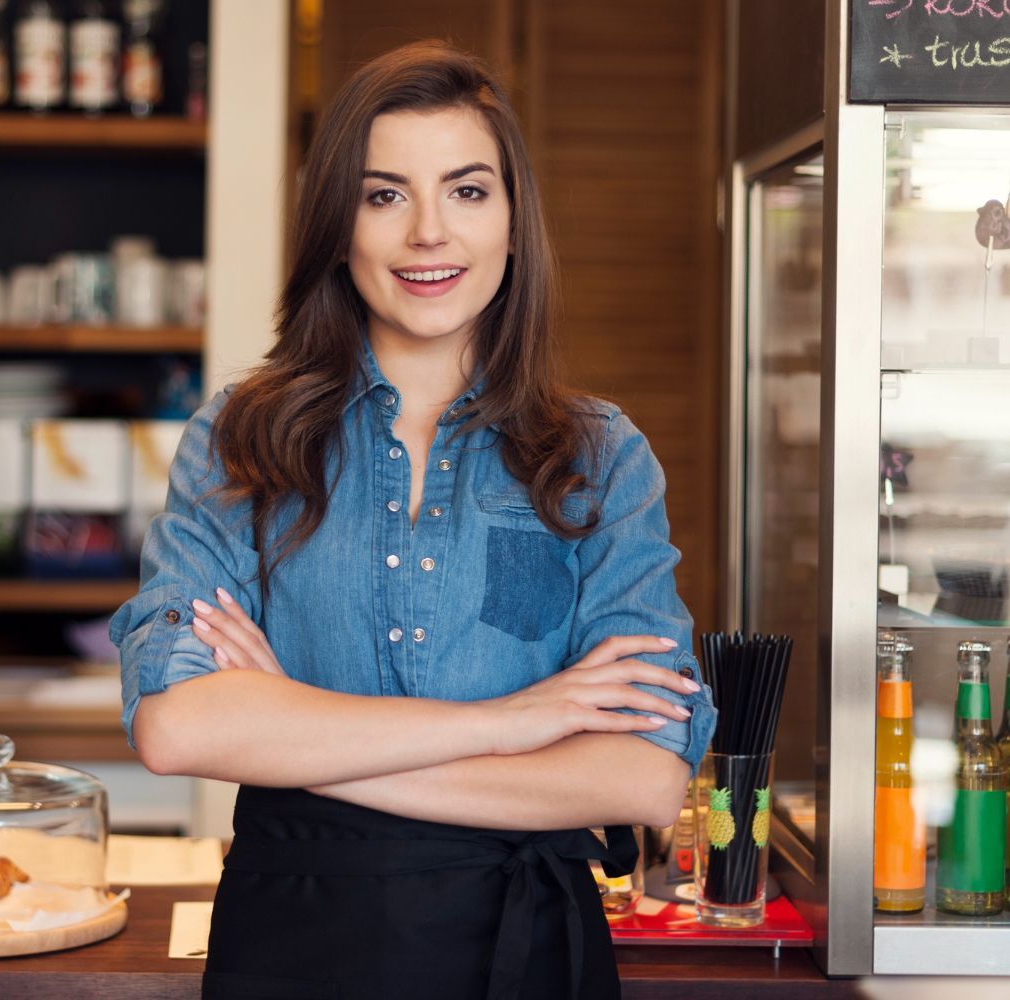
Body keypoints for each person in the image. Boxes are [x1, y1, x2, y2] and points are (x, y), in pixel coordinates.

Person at [110, 40, 717, 1000]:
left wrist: (301, 746)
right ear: (338, 229)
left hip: (530, 952)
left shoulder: (600, 457)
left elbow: (642, 777)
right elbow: (179, 729)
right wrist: (515, 722)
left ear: (514, 225)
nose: (429, 233)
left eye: (468, 192)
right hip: (294, 945)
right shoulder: (242, 437)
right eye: (384, 194)